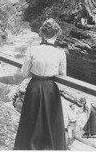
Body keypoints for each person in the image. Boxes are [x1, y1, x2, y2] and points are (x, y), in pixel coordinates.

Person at [14, 18, 67, 150]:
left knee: (31, 119)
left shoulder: (32, 50)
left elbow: (25, 73)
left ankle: (27, 147)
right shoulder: (60, 53)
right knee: (51, 120)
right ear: (56, 34)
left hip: (35, 86)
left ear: (42, 34)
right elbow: (62, 74)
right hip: (50, 88)